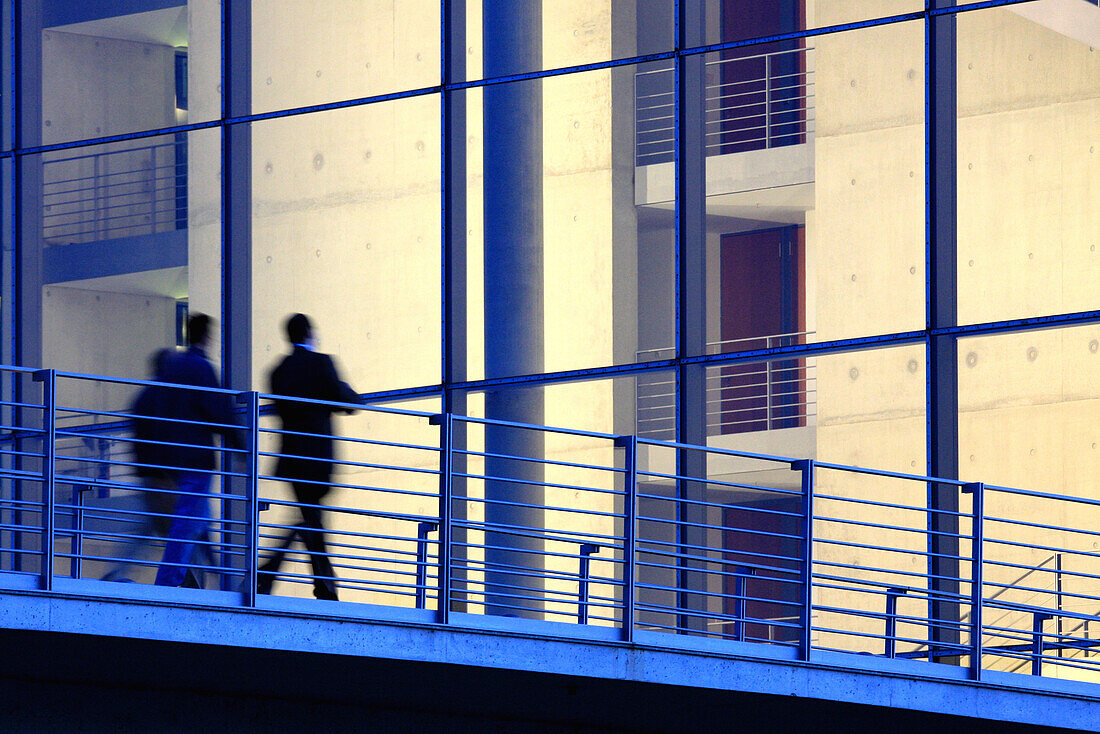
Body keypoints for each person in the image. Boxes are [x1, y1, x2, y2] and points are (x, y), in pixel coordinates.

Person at [258, 313, 362, 601]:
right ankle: (281, 574)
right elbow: (344, 401)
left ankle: (316, 582)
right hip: (317, 457)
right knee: (310, 518)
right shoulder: (321, 363)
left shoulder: (278, 370)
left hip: (291, 458)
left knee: (310, 517)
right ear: (309, 334)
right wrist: (356, 397)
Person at [154, 313, 240, 588]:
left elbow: (162, 410)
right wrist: (241, 446)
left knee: (200, 517)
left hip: (176, 456)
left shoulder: (174, 368)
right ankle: (171, 580)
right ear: (206, 336)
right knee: (188, 518)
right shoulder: (202, 369)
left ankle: (216, 574)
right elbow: (219, 411)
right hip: (196, 457)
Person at [101, 349, 177, 582]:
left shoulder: (144, 397)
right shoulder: (164, 397)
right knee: (182, 530)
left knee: (149, 527)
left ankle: (119, 571)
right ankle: (191, 582)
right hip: (164, 476)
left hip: (149, 474)